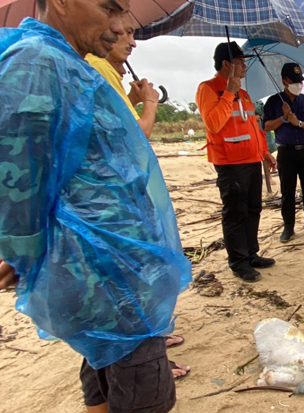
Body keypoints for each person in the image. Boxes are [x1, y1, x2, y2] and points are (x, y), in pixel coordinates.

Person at [0, 1, 193, 413]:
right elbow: (19, 174)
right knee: (145, 395)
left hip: (115, 270)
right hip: (107, 276)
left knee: (106, 374)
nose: (120, 26)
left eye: (123, 12)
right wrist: (22, 252)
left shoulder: (70, 64)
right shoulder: (37, 62)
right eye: (109, 8)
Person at [86, 12, 189, 377]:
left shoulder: (107, 72)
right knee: (136, 287)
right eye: (126, 32)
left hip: (120, 199)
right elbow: (134, 136)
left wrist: (131, 99)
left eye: (131, 31)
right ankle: (149, 357)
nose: (130, 40)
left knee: (140, 284)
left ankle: (154, 343)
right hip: (116, 207)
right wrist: (149, 103)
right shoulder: (96, 68)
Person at [196, 41, 277, 282]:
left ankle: (251, 254)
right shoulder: (208, 89)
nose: (245, 66)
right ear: (225, 64)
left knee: (253, 209)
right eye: (241, 62)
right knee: (235, 213)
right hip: (230, 164)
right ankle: (238, 262)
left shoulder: (244, 93)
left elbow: (254, 127)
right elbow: (213, 123)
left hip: (252, 160)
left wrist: (265, 153)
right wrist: (228, 92)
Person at [263, 63, 304, 243]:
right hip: (286, 152)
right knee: (287, 191)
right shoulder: (274, 102)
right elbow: (266, 127)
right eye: (294, 81)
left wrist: (297, 122)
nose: (299, 85)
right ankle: (288, 227)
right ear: (284, 81)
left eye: (300, 81)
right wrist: (282, 118)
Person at [86, 13, 158, 138]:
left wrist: (132, 99)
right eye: (128, 33)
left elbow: (111, 119)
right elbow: (138, 134)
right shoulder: (99, 66)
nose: (133, 43)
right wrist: (150, 100)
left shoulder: (90, 61)